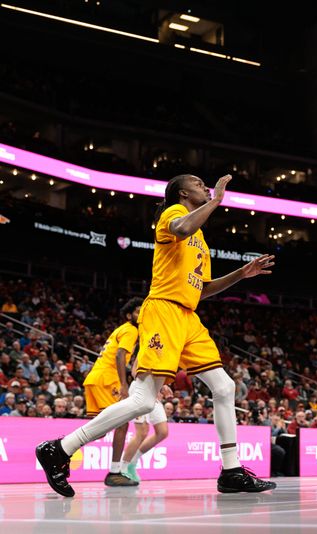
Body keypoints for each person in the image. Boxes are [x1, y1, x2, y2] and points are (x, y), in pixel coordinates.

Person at [36, 173, 277, 497]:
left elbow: (202, 289)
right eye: (197, 183)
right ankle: (60, 448)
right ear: (181, 192)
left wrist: (241, 274)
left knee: (224, 386)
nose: (204, 186)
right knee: (142, 400)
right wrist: (218, 200)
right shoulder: (172, 215)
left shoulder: (201, 239)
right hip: (163, 310)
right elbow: (183, 228)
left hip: (188, 317)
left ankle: (231, 471)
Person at [80, 297, 143, 487]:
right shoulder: (131, 330)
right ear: (128, 315)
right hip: (108, 380)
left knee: (97, 431)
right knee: (122, 423)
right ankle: (115, 472)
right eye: (137, 311)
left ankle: (60, 449)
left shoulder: (121, 329)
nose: (141, 315)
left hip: (95, 378)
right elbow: (119, 355)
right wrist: (124, 384)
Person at [119, 366, 172, 483]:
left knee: (162, 432)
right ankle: (122, 470)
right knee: (142, 432)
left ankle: (133, 462)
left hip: (154, 391)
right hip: (141, 389)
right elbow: (134, 372)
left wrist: (161, 385)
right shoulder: (146, 348)